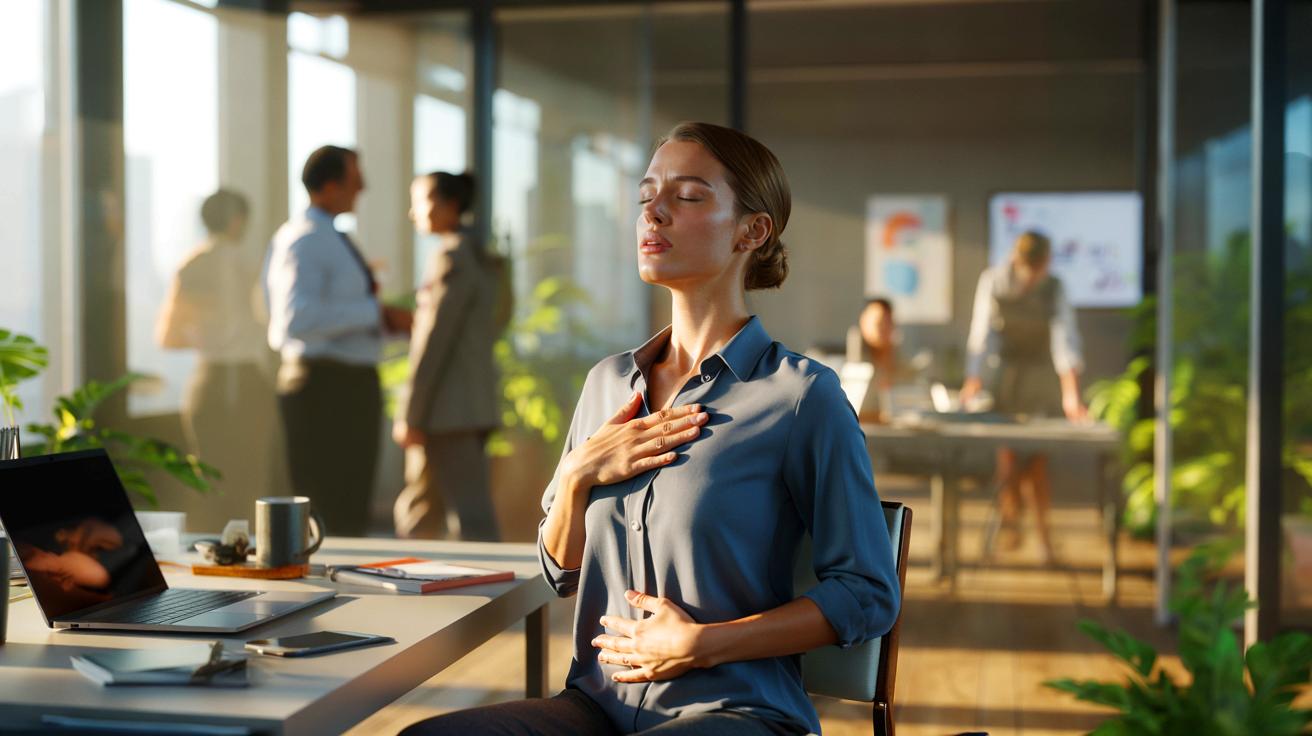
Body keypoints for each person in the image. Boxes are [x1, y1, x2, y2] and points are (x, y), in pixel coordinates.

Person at [400, 122, 900, 736]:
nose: (653, 213)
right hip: (596, 706)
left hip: (737, 711)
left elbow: (868, 593)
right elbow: (560, 572)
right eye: (645, 196)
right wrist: (578, 474)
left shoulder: (801, 397)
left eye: (686, 196)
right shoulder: (607, 385)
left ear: (752, 231)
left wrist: (704, 643)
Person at [264, 146, 411, 538]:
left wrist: (381, 318)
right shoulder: (307, 239)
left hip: (342, 386)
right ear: (330, 187)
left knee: (347, 507)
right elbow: (296, 318)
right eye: (356, 180)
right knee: (331, 510)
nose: (363, 188)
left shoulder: (324, 235)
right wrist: (374, 313)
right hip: (326, 390)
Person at [393, 171, 512, 541]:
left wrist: (410, 413)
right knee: (431, 510)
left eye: (420, 201)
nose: (413, 212)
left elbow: (433, 341)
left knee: (459, 518)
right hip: (467, 408)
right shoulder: (484, 258)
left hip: (445, 412)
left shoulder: (451, 257)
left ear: (449, 205)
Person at [958, 230, 1086, 562]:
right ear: (1018, 260)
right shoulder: (994, 281)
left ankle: (1044, 537)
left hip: (1041, 379)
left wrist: (1071, 395)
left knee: (1038, 464)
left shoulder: (1054, 287)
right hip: (1006, 379)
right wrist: (974, 380)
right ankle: (1010, 525)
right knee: (1008, 460)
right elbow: (982, 334)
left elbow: (1065, 339)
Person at [155, 189, 279, 531]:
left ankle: (207, 548)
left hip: (208, 379)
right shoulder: (254, 264)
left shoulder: (192, 265)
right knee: (252, 476)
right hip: (250, 379)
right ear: (238, 221)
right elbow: (274, 323)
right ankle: (255, 547)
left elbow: (167, 336)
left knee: (206, 475)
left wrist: (207, 335)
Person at [848, 296, 900, 423]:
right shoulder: (852, 365)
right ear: (863, 322)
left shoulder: (898, 359)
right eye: (878, 322)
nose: (884, 328)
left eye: (888, 322)